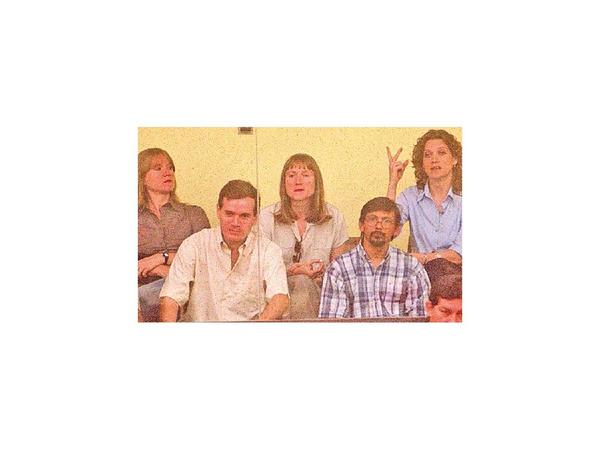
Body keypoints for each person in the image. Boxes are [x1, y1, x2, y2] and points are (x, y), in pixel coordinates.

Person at [159, 180, 289, 322]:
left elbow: (280, 298)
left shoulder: (269, 250)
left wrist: (257, 327)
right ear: (218, 211)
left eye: (244, 216)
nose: (235, 223)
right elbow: (171, 297)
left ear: (255, 218)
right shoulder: (195, 244)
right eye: (229, 214)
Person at [259, 153, 348, 319]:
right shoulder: (266, 217)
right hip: (274, 299)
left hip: (318, 299)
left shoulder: (335, 217)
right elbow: (258, 271)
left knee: (304, 284)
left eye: (305, 175)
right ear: (284, 183)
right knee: (299, 281)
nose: (298, 181)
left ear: (317, 182)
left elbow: (340, 272)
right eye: (291, 175)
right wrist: (294, 270)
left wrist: (321, 275)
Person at [319, 197, 430, 319]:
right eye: (372, 219)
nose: (378, 226)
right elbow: (331, 323)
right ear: (361, 225)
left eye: (386, 221)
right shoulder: (339, 268)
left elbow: (419, 320)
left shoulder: (411, 267)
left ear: (397, 230)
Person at [138, 148, 210, 321]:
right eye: (158, 168)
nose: (167, 172)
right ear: (142, 177)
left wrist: (161, 258)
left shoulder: (193, 214)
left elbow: (206, 257)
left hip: (185, 288)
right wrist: (159, 269)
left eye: (170, 167)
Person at [386, 129, 462, 265]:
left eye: (441, 153)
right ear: (422, 163)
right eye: (427, 155)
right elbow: (388, 231)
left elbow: (460, 254)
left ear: (455, 159)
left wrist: (424, 258)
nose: (434, 160)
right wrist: (393, 183)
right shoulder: (410, 196)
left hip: (456, 273)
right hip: (418, 272)